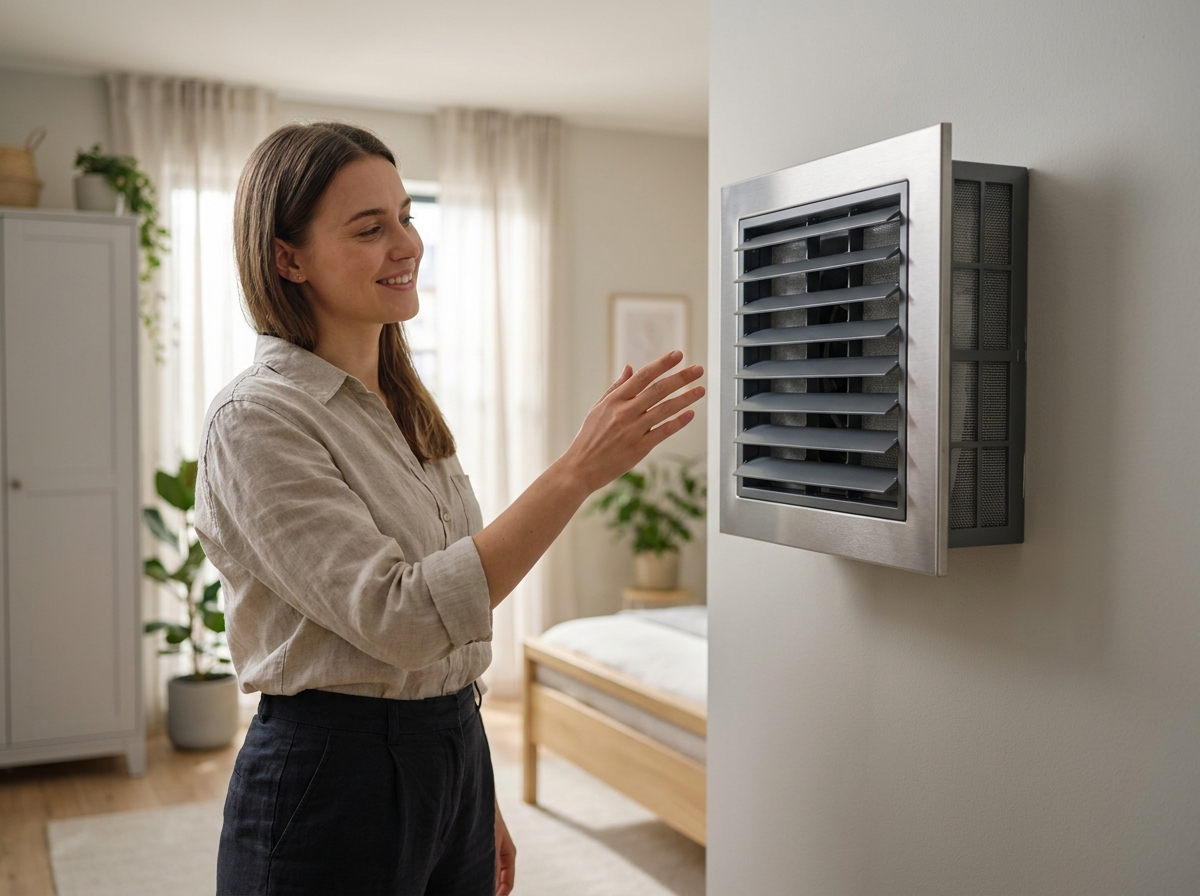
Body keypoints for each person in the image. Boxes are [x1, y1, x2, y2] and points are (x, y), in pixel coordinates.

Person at [194, 121, 705, 896]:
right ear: (286, 258)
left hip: (450, 753)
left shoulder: (403, 405)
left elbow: (445, 652)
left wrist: (472, 788)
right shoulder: (256, 420)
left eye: (406, 216)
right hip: (331, 779)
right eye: (371, 228)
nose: (407, 245)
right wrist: (576, 472)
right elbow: (404, 618)